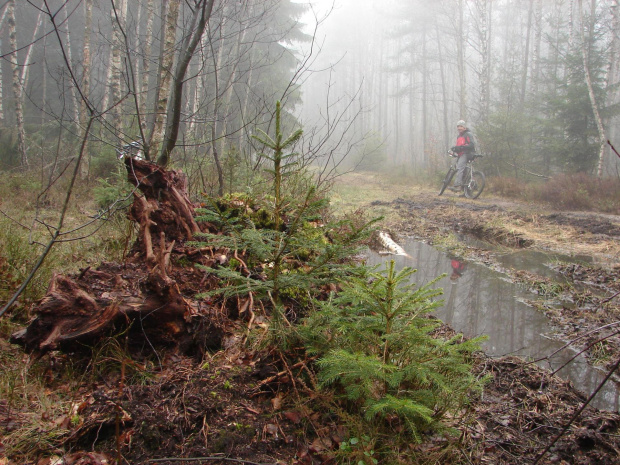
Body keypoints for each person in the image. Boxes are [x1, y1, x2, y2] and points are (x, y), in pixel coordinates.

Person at [449, 120, 476, 192]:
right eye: (458, 126)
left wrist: (462, 147)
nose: (459, 128)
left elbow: (471, 144)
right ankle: (465, 191)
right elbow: (459, 146)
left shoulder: (468, 134)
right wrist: (455, 148)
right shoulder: (459, 136)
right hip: (461, 154)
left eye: (461, 126)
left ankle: (457, 185)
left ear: (464, 127)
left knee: (459, 168)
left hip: (467, 153)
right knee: (463, 171)